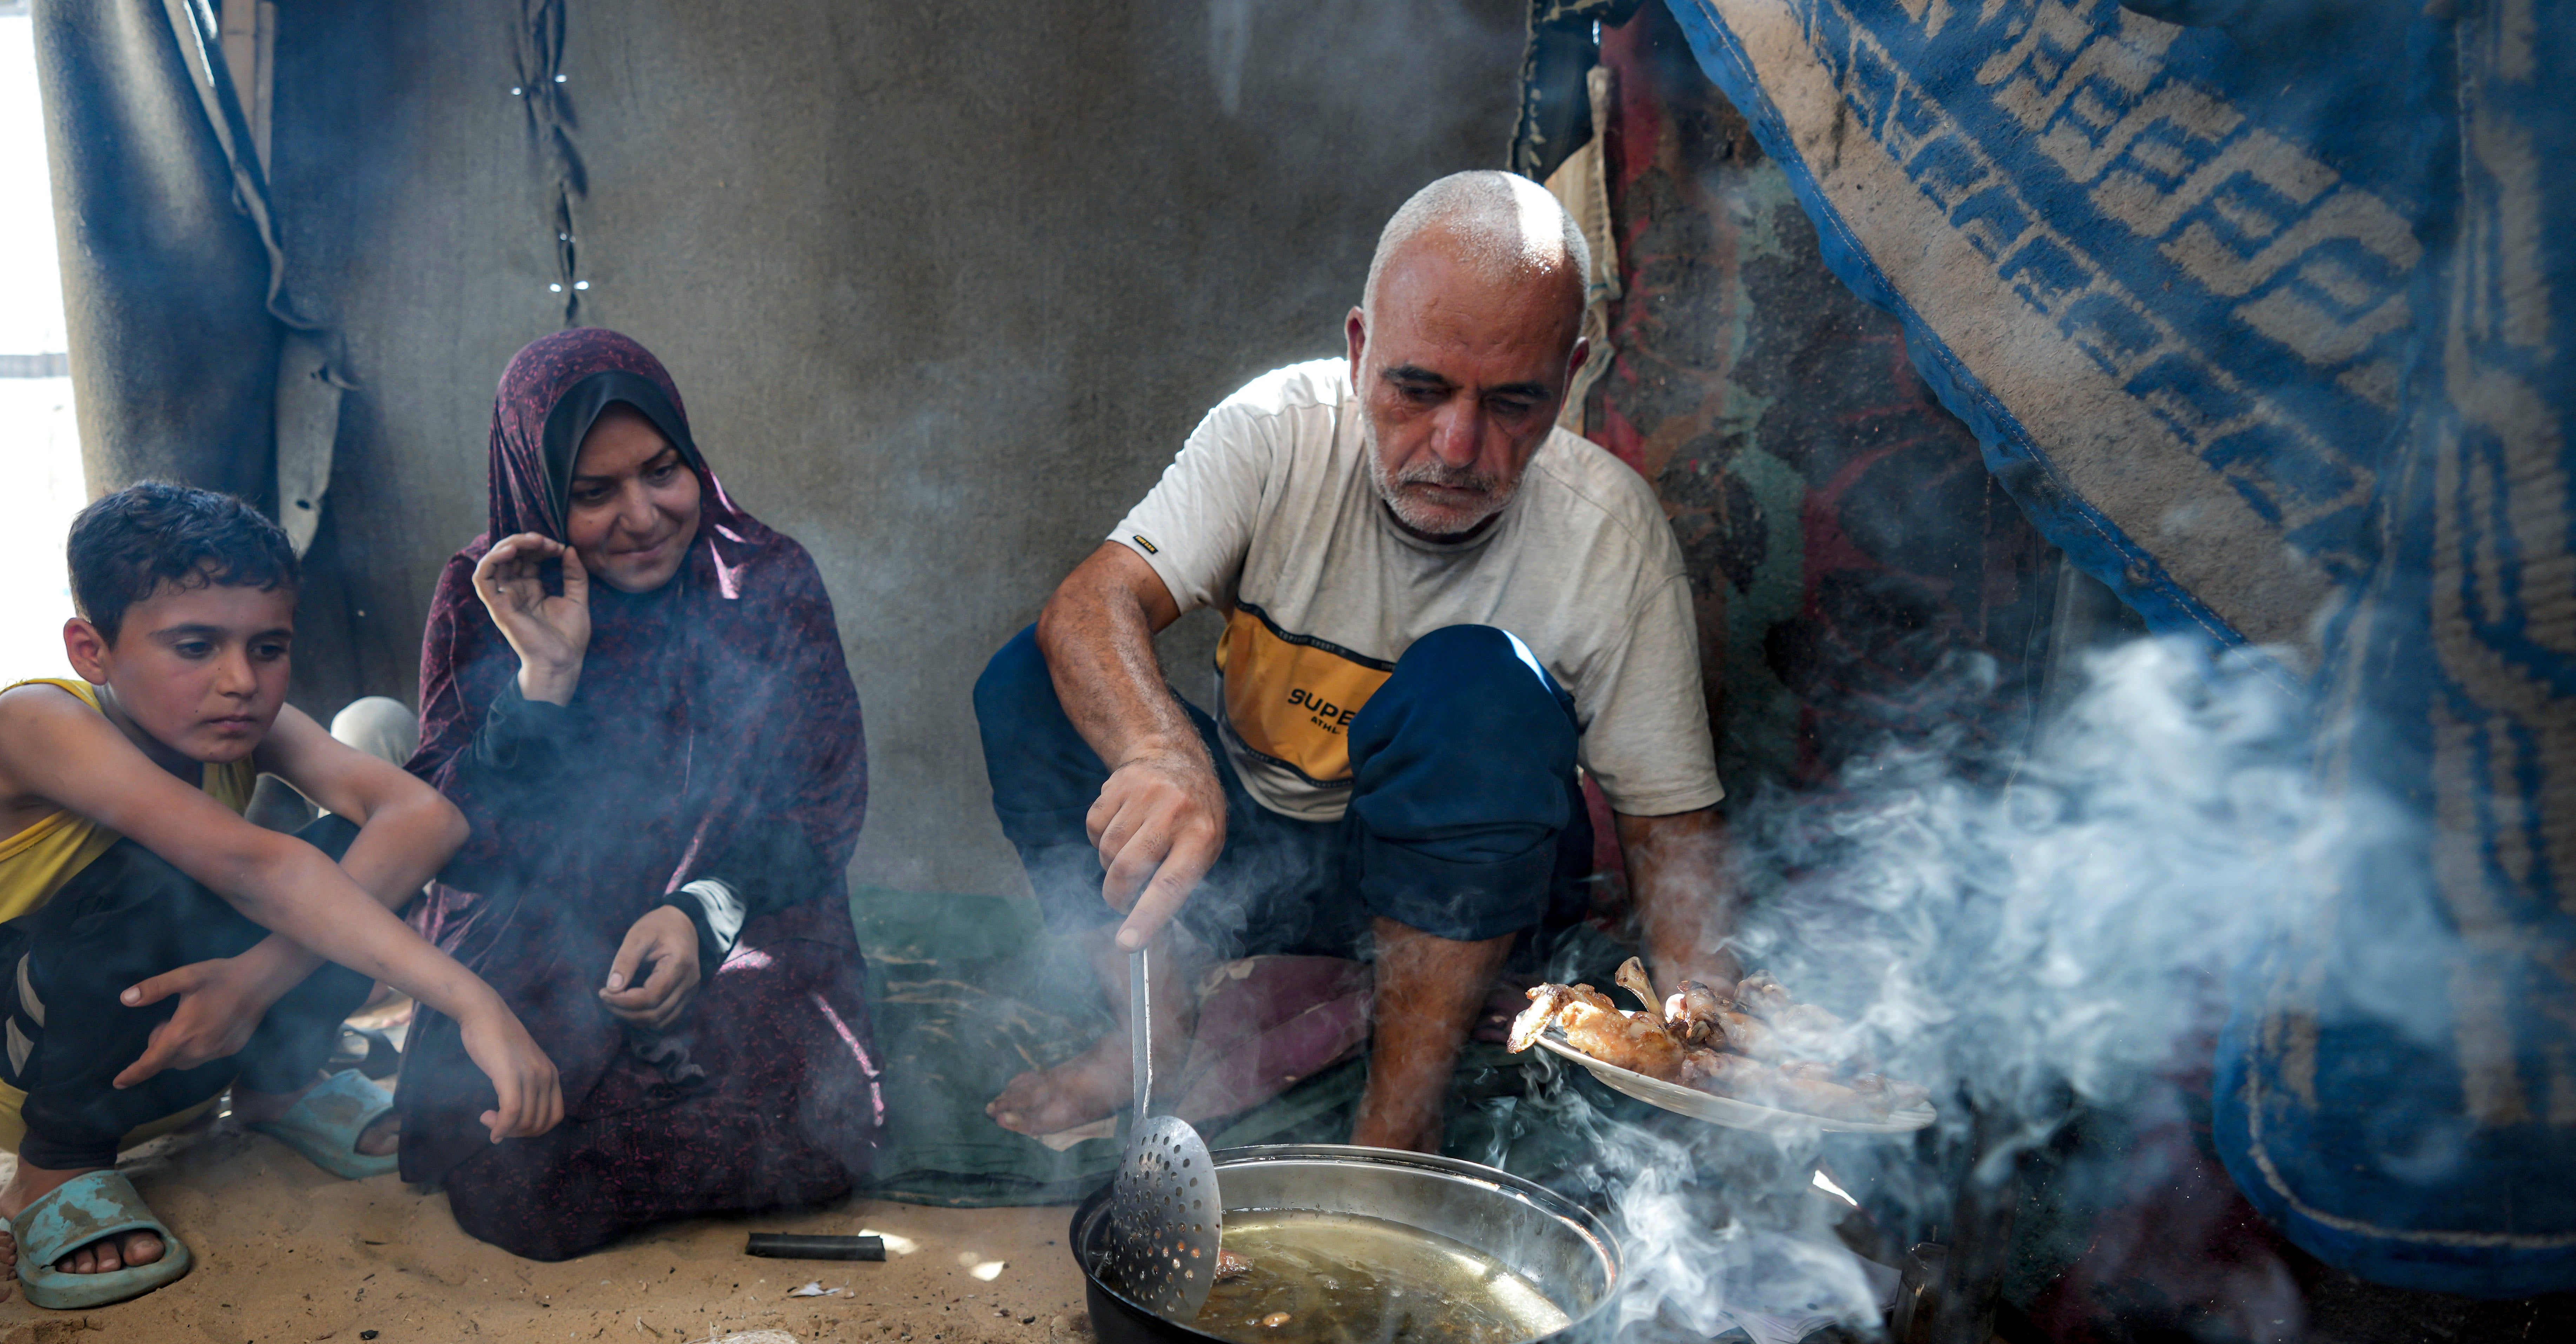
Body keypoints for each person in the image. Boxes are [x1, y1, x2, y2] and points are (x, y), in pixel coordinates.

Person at [974, 170, 1732, 1152]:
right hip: (1263, 861)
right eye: (1417, 390)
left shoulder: (1608, 534)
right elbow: (1090, 605)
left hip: (1467, 891)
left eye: (1512, 404)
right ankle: (1146, 1035)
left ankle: (1393, 1132)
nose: (1457, 446)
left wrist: (1708, 1037)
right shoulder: (1273, 433)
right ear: (1358, 347)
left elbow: (1672, 829)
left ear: (1572, 374)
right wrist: (1161, 754)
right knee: (1031, 680)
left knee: (1477, 681)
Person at [0, 483, 564, 1308]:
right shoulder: (34, 722)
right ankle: (50, 1177)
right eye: (194, 647)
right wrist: (475, 1004)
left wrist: (257, 983)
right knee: (190, 867)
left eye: (268, 647)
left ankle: (278, 1085)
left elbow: (424, 819)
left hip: (200, 1043)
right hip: (18, 1066)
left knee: (358, 850)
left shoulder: (250, 724)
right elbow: (258, 872)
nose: (239, 681)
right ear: (91, 650)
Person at [396, 328, 879, 1260]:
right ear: (537, 493)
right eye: (592, 493)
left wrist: (699, 917)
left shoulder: (765, 580)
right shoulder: (487, 593)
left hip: (741, 917)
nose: (644, 515)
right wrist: (546, 673)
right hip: (547, 932)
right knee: (523, 1173)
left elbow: (823, 805)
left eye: (662, 471)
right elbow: (464, 844)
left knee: (820, 1125)